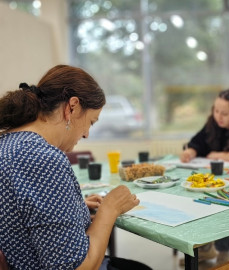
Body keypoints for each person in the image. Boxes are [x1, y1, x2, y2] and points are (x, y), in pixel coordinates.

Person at [0, 65, 151, 270]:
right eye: (91, 122)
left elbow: (22, 216)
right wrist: (109, 209)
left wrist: (74, 208)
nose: (87, 133)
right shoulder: (43, 159)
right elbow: (75, 267)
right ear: (73, 107)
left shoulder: (8, 143)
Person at [180, 88, 229, 265]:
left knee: (222, 200)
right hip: (214, 177)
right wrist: (191, 151)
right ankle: (206, 247)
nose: (219, 116)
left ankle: (224, 250)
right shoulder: (213, 124)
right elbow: (198, 142)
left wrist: (216, 154)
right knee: (198, 196)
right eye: (216, 111)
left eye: (225, 113)